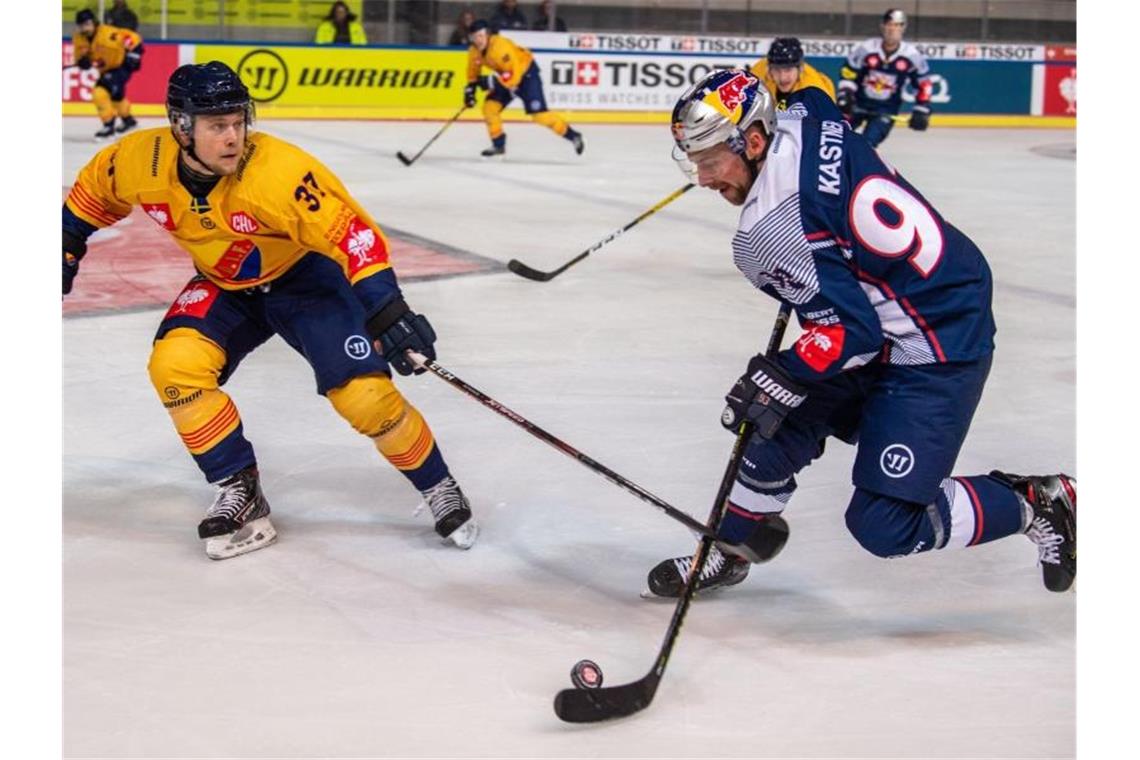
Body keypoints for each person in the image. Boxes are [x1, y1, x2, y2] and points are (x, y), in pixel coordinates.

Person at [648, 68, 1075, 598]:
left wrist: (778, 374)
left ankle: (1034, 501)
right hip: (913, 295)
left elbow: (853, 335)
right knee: (773, 428)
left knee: (884, 523)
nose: (705, 178)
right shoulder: (806, 115)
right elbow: (811, 94)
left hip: (938, 335)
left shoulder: (769, 232)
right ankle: (731, 546)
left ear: (754, 141)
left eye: (710, 162)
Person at [61, 61, 479, 559]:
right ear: (181, 127)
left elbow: (356, 238)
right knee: (175, 366)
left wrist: (387, 311)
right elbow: (90, 196)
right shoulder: (138, 160)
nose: (234, 137)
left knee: (365, 398)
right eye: (218, 126)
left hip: (308, 281)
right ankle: (241, 488)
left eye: (239, 122)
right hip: (228, 284)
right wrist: (64, 247)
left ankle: (438, 485)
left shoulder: (279, 173)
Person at [464, 19, 584, 157]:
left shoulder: (500, 47)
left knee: (540, 115)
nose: (478, 40)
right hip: (506, 77)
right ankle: (498, 145)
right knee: (489, 108)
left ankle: (574, 136)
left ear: (488, 34)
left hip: (526, 76)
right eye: (474, 37)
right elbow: (472, 72)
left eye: (480, 35)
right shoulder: (474, 51)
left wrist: (492, 83)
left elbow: (515, 76)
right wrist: (470, 89)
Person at [836, 9, 933, 147]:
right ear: (883, 26)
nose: (893, 29)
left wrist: (922, 109)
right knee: (835, 137)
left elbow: (924, 83)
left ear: (903, 28)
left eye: (897, 25)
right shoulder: (867, 48)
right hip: (856, 104)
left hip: (886, 110)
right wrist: (845, 94)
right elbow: (849, 72)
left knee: (866, 146)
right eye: (889, 24)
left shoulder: (912, 56)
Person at [72, 8, 143, 140]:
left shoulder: (109, 34)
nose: (84, 28)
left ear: (94, 22)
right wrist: (83, 62)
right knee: (116, 97)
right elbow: (80, 59)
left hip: (121, 66)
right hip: (106, 70)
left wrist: (135, 56)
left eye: (87, 24)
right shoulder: (78, 39)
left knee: (100, 92)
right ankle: (128, 121)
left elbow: (134, 39)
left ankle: (108, 126)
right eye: (81, 25)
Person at [749, 37, 835, 113]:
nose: (782, 78)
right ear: (769, 69)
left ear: (800, 69)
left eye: (788, 70)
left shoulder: (815, 92)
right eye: (776, 70)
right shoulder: (758, 73)